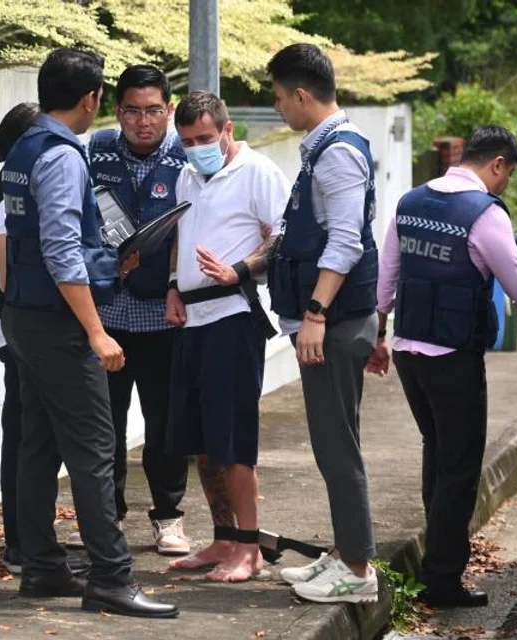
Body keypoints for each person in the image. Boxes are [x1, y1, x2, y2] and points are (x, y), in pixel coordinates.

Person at [0, 47, 177, 618]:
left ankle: (42, 566)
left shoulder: (26, 145)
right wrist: (97, 332)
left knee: (38, 443)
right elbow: (61, 254)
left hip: (25, 315)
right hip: (58, 324)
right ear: (92, 98)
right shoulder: (63, 156)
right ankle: (112, 578)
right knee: (96, 449)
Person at [370, 125, 517, 608]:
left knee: (438, 451)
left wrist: (378, 335)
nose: (504, 185)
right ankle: (443, 578)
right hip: (452, 357)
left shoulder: (410, 202)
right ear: (497, 163)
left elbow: (386, 279)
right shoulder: (483, 213)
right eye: (506, 175)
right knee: (459, 465)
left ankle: (437, 562)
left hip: (409, 352)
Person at [264, 43, 381, 605]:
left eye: (279, 98)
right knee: (335, 442)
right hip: (335, 321)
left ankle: (356, 569)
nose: (279, 108)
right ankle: (343, 551)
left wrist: (315, 313)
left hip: (332, 324)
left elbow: (346, 242)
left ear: (302, 95)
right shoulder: (326, 147)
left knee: (337, 448)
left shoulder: (337, 153)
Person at [164, 91, 289, 582]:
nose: (197, 148)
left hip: (232, 317)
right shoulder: (186, 176)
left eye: (205, 138)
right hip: (191, 318)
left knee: (234, 439)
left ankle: (249, 548)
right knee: (202, 440)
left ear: (227, 129)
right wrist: (173, 287)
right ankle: (223, 538)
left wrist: (240, 268)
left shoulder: (258, 172)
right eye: (188, 141)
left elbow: (283, 236)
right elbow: (179, 234)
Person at [65, 65, 189, 556]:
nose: (143, 121)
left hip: (164, 316)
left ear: (169, 110)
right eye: (133, 111)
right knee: (104, 427)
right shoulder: (94, 151)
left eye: (154, 110)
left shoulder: (186, 156)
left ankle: (169, 517)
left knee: (165, 425)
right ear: (116, 111)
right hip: (107, 319)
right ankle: (105, 517)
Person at [0, 102, 40, 575]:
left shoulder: (16, 186)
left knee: (27, 433)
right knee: (23, 434)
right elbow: (7, 283)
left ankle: (27, 542)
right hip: (18, 332)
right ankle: (20, 544)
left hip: (21, 330)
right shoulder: (8, 196)